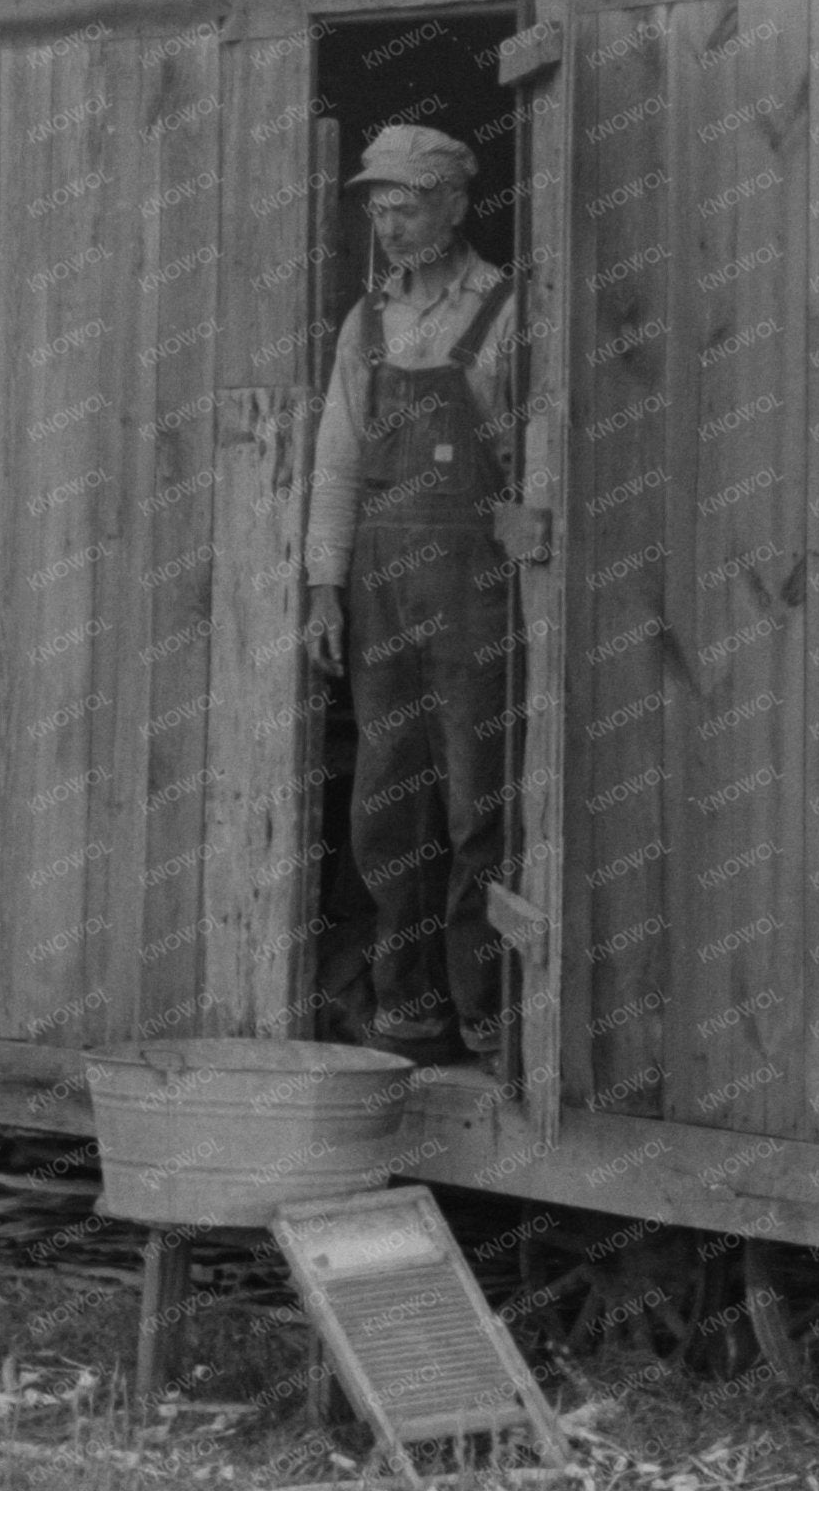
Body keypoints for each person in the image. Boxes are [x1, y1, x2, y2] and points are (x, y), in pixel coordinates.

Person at [300, 123, 532, 1070]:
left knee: (482, 801)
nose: (391, 226)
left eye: (408, 204)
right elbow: (336, 465)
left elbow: (535, 456)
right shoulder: (367, 324)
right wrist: (324, 589)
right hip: (381, 596)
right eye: (379, 208)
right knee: (387, 803)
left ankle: (486, 1010)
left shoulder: (513, 310)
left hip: (478, 588)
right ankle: (408, 1008)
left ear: (455, 204)